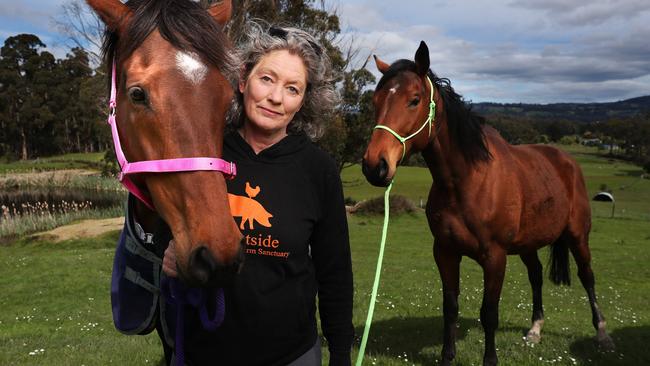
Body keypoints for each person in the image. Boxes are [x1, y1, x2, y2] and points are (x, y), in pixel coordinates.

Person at [158, 23, 354, 365]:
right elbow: (165, 221)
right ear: (243, 79)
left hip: (292, 354)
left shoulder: (317, 169)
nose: (276, 97)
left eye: (292, 88)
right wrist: (167, 252)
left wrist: (339, 354)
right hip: (204, 351)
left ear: (304, 101)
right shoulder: (207, 152)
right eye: (267, 79)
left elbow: (334, 271)